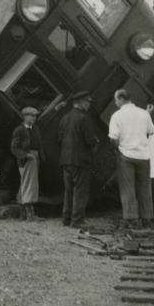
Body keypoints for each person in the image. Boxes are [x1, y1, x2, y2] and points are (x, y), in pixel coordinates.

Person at [107, 89, 154, 227]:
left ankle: (131, 219)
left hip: (126, 155)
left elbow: (113, 138)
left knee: (128, 188)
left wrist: (118, 149)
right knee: (144, 188)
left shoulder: (117, 115)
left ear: (122, 100)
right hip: (143, 156)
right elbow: (151, 131)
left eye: (116, 100)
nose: (115, 102)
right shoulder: (144, 113)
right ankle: (146, 218)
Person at [57, 92, 100, 227]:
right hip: (80, 161)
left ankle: (66, 219)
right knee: (80, 191)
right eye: (88, 102)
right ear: (81, 102)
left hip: (65, 160)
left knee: (68, 191)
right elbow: (90, 141)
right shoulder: (84, 118)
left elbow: (59, 140)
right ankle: (77, 220)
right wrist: (95, 141)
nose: (89, 105)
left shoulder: (64, 118)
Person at [10, 106, 42, 220]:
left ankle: (23, 213)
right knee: (30, 185)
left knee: (25, 184)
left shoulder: (34, 128)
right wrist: (27, 156)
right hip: (27, 159)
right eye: (32, 116)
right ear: (24, 117)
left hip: (34, 157)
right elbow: (14, 148)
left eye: (35, 116)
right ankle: (30, 214)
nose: (34, 118)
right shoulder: (19, 130)